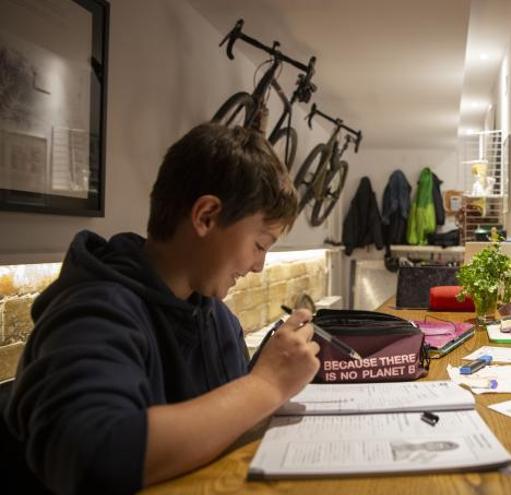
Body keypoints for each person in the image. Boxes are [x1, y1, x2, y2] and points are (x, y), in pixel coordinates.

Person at [0, 124, 321, 494]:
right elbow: (94, 457)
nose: (258, 266)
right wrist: (265, 385)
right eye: (260, 244)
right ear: (206, 216)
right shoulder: (94, 311)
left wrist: (271, 381)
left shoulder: (220, 322)